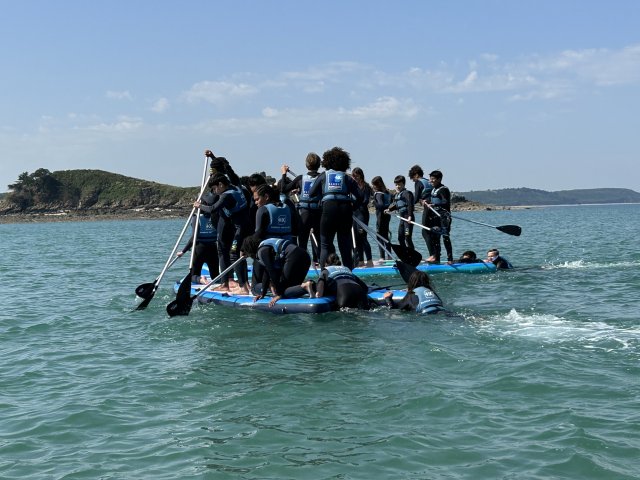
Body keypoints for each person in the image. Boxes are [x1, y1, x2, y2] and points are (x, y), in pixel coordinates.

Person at [308, 147, 362, 270]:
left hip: (328, 209)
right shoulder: (347, 178)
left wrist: (323, 196)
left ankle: (324, 274)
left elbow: (311, 193)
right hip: (345, 210)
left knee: (325, 245)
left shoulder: (324, 175)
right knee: (345, 246)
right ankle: (349, 274)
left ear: (327, 162)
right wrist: (353, 207)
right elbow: (360, 197)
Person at [204, 174, 251, 293]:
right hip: (243, 226)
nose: (215, 192)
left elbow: (212, 208)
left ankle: (243, 288)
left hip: (241, 228)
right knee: (239, 254)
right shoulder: (235, 187)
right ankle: (245, 285)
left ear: (221, 184)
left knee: (234, 254)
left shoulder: (226, 195)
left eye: (215, 188)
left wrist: (199, 205)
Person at [241, 236, 311, 307]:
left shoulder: (261, 251)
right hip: (305, 256)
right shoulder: (266, 245)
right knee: (294, 288)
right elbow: (267, 272)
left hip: (293, 256)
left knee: (284, 291)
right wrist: (263, 293)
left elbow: (271, 271)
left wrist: (279, 294)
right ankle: (311, 286)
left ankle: (305, 286)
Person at [279, 153, 323, 265]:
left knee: (302, 242)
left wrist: (284, 173)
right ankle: (321, 263)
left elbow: (283, 189)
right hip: (318, 213)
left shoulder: (301, 179)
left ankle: (302, 265)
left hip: (305, 213)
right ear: (319, 165)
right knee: (320, 241)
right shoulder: (323, 177)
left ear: (306, 165)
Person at [177, 191, 219, 284]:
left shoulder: (196, 218)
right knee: (215, 276)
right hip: (213, 248)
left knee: (193, 275)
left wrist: (183, 251)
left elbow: (194, 237)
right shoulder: (216, 216)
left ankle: (201, 279)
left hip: (199, 249)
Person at [423, 170, 454, 264]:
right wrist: (426, 202)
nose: (431, 181)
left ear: (439, 179)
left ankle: (450, 259)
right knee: (435, 238)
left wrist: (434, 205)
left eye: (433, 179)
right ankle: (437, 259)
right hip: (435, 217)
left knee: (445, 237)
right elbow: (431, 200)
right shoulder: (433, 190)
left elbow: (445, 202)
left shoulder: (443, 189)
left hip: (444, 217)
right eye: (430, 179)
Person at [408, 165, 433, 260]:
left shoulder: (418, 182)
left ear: (416, 175)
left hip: (428, 208)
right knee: (432, 231)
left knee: (424, 231)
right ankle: (436, 255)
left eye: (412, 178)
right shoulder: (428, 181)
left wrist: (408, 205)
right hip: (434, 207)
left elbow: (416, 198)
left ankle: (432, 255)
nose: (413, 180)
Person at [351, 167, 373, 268]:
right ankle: (360, 260)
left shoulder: (366, 186)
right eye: (353, 176)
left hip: (362, 214)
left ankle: (369, 260)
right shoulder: (352, 186)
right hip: (354, 214)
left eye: (356, 176)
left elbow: (365, 201)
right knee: (356, 238)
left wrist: (355, 203)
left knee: (363, 237)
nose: (355, 178)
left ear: (361, 175)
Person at [385, 175, 415, 252]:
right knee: (400, 238)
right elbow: (397, 205)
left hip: (408, 218)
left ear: (404, 184)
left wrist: (410, 216)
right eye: (396, 185)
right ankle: (405, 253)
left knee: (407, 237)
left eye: (399, 185)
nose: (397, 186)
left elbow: (410, 204)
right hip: (402, 219)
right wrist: (389, 209)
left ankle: (412, 253)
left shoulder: (407, 193)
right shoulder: (397, 195)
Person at [371, 176, 392, 264]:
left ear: (377, 184)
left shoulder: (378, 194)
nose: (373, 187)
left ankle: (382, 257)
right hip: (387, 216)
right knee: (385, 236)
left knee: (379, 236)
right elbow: (390, 204)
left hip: (380, 217)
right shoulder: (387, 192)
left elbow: (380, 206)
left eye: (374, 185)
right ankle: (389, 256)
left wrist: (374, 202)